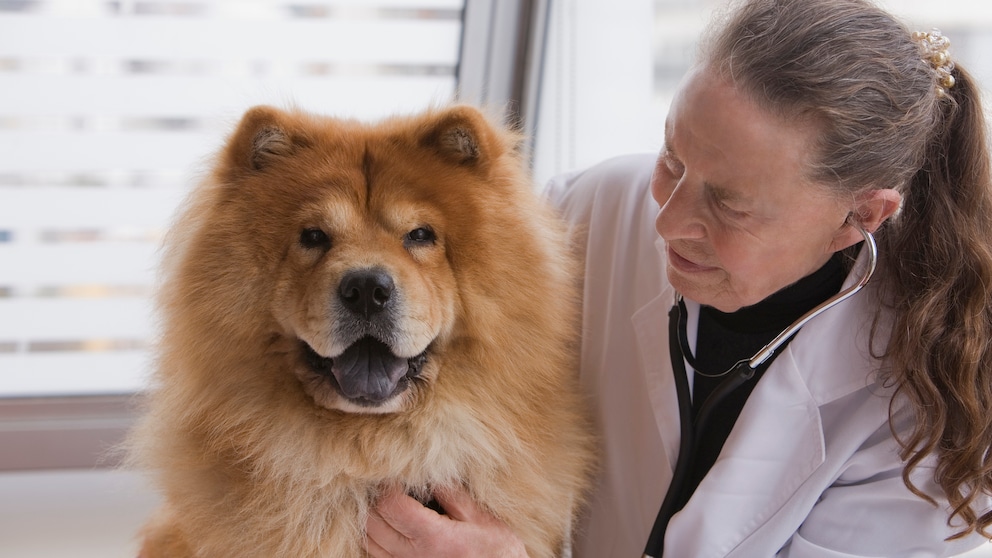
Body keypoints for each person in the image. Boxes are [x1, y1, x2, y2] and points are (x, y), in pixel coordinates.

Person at [365, 0, 992, 555]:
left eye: (730, 204)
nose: (667, 221)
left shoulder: (924, 410)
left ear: (862, 215)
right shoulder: (587, 213)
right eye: (672, 158)